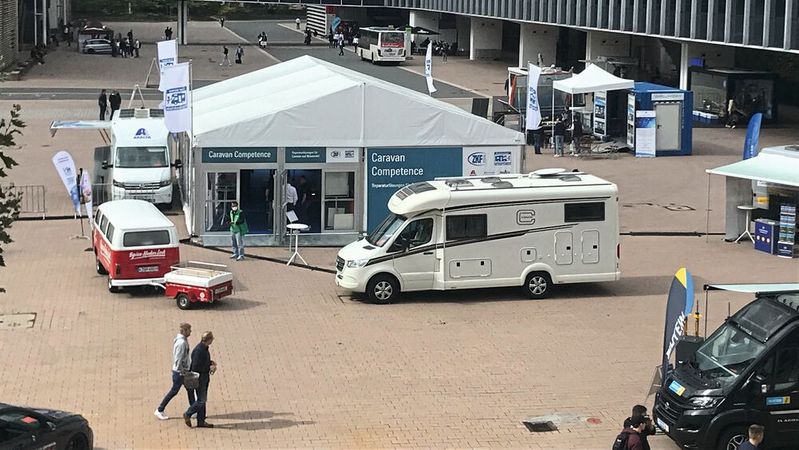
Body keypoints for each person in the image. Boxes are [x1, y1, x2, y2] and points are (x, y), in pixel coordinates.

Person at [155, 323, 196, 420]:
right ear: (184, 331)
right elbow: (178, 359)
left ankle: (193, 409)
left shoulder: (182, 341)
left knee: (190, 389)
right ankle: (160, 409)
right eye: (189, 330)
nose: (190, 332)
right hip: (180, 373)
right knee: (174, 391)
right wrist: (182, 371)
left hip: (182, 371)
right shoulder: (181, 343)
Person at [183, 331, 216, 428]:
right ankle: (188, 413)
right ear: (208, 340)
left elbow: (202, 362)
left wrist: (210, 363)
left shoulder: (204, 348)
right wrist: (208, 368)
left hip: (204, 378)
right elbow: (196, 367)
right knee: (201, 400)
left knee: (203, 400)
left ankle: (201, 421)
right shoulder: (199, 350)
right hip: (200, 379)